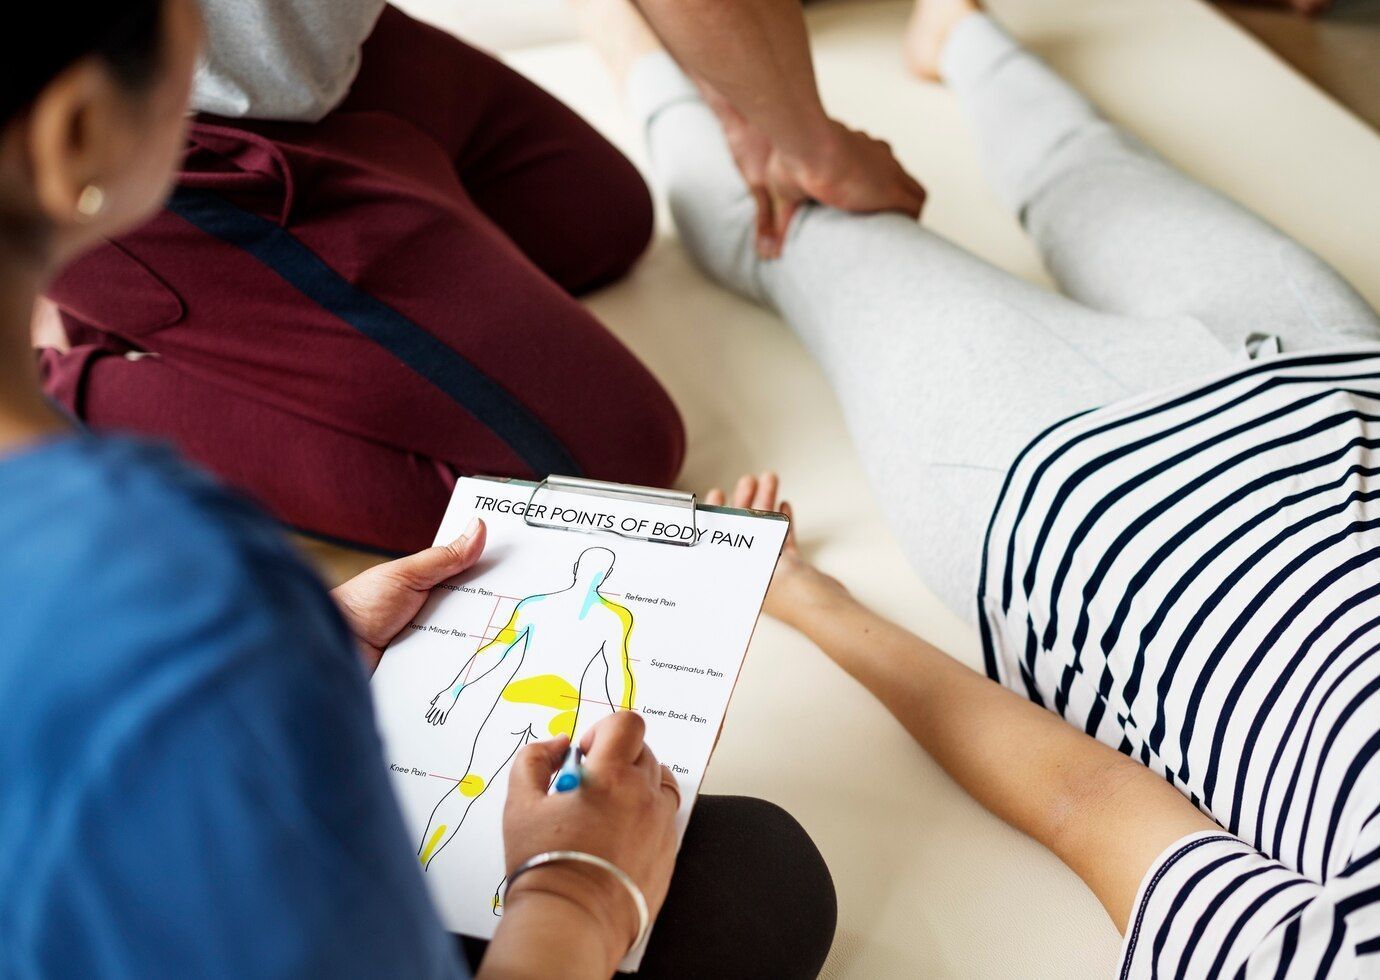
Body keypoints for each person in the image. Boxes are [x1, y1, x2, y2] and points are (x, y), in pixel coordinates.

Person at [0, 4, 836, 977]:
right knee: (757, 876)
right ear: (77, 135)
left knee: (592, 217)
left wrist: (318, 641)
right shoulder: (186, 585)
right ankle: (128, 365)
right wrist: (576, 889)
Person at [580, 0, 1380, 973]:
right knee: (1087, 163)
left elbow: (1082, 799)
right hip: (1336, 366)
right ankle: (954, 29)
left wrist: (808, 597)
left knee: (796, 224)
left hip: (1081, 494)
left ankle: (621, 32)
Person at [33, 0, 924, 556]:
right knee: (614, 459)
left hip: (331, 54)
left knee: (599, 217)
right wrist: (814, 144)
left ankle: (349, 246)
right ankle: (73, 385)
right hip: (168, 155)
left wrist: (763, 106)